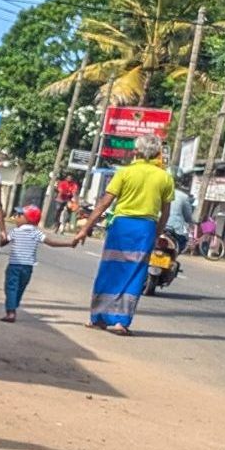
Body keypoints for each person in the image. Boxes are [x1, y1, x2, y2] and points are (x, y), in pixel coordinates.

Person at [72, 137, 176, 333]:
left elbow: (105, 203)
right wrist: (156, 234)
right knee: (135, 273)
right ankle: (122, 322)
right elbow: (166, 212)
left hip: (121, 226)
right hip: (146, 228)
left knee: (109, 270)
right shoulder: (165, 178)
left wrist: (86, 228)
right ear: (155, 154)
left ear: (136, 152)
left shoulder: (125, 173)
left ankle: (99, 318)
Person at [0, 204, 73, 321]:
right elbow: (51, 243)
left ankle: (11, 312)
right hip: (28, 268)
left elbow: (3, 243)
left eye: (19, 215)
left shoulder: (15, 232)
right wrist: (69, 244)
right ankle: (13, 307)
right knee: (20, 288)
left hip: (14, 265)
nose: (16, 218)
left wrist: (2, 236)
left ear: (27, 219)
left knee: (11, 287)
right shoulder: (36, 233)